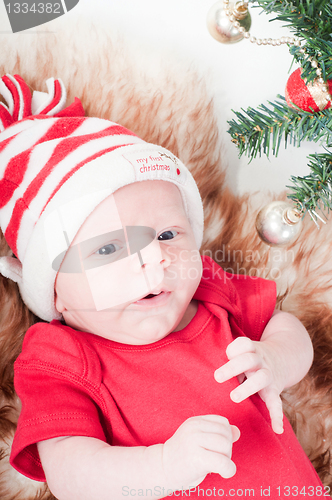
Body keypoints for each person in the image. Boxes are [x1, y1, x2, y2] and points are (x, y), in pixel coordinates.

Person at [0, 74, 325, 500]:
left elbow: (284, 324)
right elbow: (70, 474)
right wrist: (164, 466)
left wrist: (277, 360)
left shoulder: (209, 292)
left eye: (169, 235)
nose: (154, 257)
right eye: (110, 248)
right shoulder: (59, 356)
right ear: (54, 290)